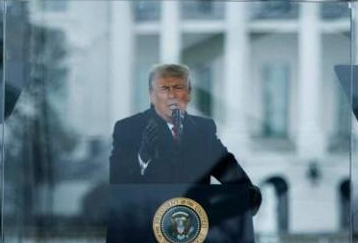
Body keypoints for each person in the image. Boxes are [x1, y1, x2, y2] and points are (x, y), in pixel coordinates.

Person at [109, 63, 261, 205]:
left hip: (194, 227)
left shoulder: (204, 130)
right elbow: (118, 183)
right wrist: (143, 156)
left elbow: (234, 178)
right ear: (152, 95)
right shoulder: (128, 128)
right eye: (164, 89)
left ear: (188, 94)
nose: (171, 95)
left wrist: (249, 197)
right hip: (146, 225)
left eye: (178, 87)